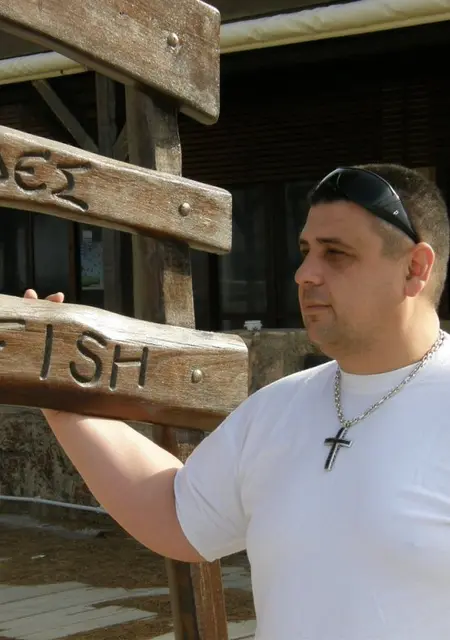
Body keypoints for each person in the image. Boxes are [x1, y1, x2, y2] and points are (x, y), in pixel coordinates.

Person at [25, 163, 450, 640]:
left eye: (336, 253)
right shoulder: (278, 407)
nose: (304, 274)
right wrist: (61, 397)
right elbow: (177, 513)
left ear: (415, 268)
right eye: (306, 251)